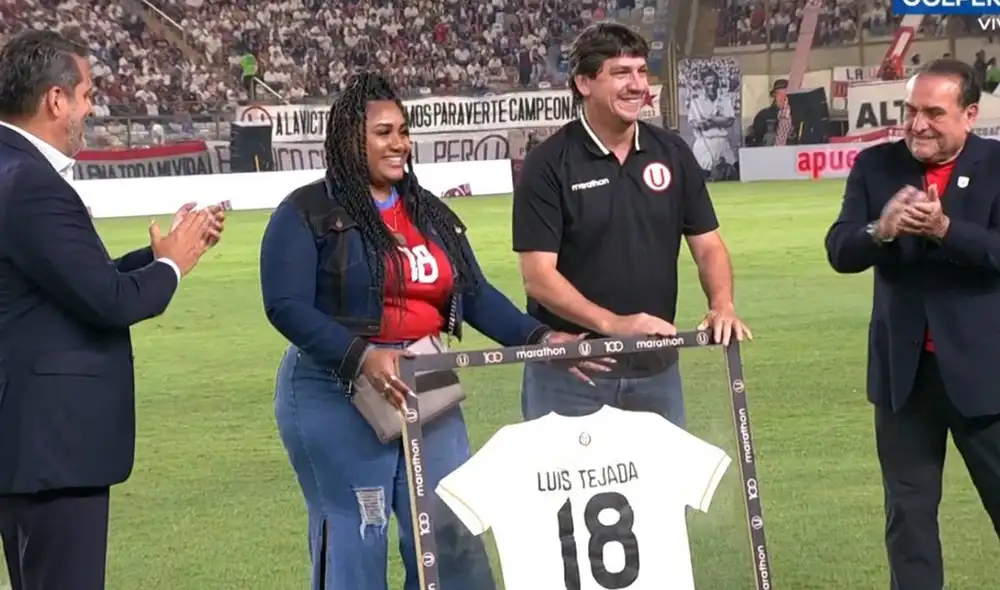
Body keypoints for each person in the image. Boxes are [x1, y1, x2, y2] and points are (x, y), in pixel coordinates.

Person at [259, 71, 603, 590]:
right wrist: (362, 356)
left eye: (403, 130)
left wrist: (542, 339)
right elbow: (284, 305)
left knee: (452, 530)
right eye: (384, 132)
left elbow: (476, 294)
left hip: (426, 378)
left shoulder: (427, 212)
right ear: (351, 137)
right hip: (335, 387)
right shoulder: (306, 211)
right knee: (359, 531)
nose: (400, 143)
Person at [0, 31, 224, 590]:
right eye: (87, 94)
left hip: (26, 440)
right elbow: (109, 301)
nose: (92, 107)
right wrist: (173, 266)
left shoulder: (11, 169)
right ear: (56, 100)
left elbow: (69, 282)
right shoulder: (32, 184)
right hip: (54, 446)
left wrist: (155, 253)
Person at [512, 22, 751, 427]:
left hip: (656, 373)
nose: (637, 85)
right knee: (569, 492)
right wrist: (616, 325)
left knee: (666, 492)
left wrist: (722, 304)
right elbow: (538, 278)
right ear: (584, 82)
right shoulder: (549, 163)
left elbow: (709, 246)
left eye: (642, 72)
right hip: (574, 373)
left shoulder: (672, 152)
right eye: (621, 73)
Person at [825, 58, 1000, 590]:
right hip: (904, 379)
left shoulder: (997, 164)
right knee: (908, 519)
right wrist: (880, 229)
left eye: (933, 113)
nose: (917, 124)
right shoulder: (876, 167)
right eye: (910, 110)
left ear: (970, 114)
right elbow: (840, 249)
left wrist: (947, 229)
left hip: (985, 376)